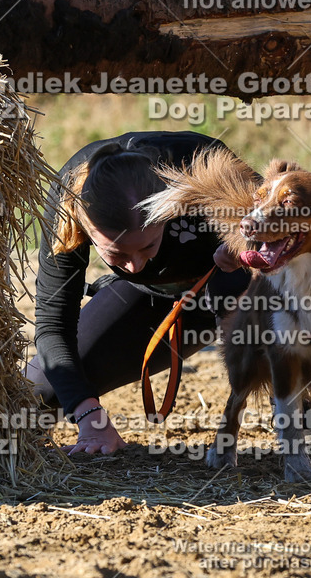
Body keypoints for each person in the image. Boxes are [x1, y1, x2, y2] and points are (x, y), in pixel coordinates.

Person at [25, 131, 250, 456]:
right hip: (146, 296)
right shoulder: (67, 199)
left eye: (148, 246)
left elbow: (289, 228)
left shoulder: (202, 162)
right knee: (31, 397)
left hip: (225, 282)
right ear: (84, 225)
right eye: (116, 255)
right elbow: (53, 325)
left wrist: (247, 248)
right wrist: (89, 417)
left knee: (259, 355)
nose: (134, 265)